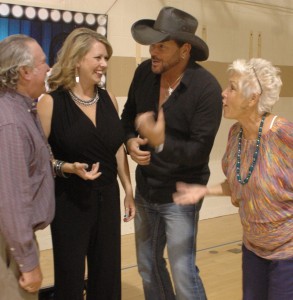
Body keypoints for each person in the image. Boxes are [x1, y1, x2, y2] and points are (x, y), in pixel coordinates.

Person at [121, 7, 222, 300]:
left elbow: (198, 152)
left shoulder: (206, 89)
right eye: (152, 44)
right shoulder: (144, 73)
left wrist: (161, 141)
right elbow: (128, 117)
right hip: (146, 188)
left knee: (183, 272)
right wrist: (130, 141)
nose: (153, 51)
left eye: (162, 46)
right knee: (148, 266)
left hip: (181, 194)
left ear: (184, 49)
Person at [174, 58, 293, 300]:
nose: (223, 94)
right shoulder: (236, 134)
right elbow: (240, 183)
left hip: (287, 253)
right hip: (253, 248)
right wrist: (203, 191)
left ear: (253, 98)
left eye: (232, 88)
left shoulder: (283, 134)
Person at [37, 27, 135, 300]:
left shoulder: (108, 99)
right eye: (99, 58)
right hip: (70, 200)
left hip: (107, 197)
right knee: (69, 276)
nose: (104, 64)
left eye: (106, 58)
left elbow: (116, 147)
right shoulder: (51, 102)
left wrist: (128, 188)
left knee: (107, 272)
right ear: (78, 58)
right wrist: (65, 167)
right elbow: (38, 156)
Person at [0, 35, 55, 299]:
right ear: (24, 72)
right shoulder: (10, 121)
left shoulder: (23, 110)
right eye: (43, 63)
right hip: (9, 244)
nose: (48, 68)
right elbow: (12, 200)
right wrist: (28, 262)